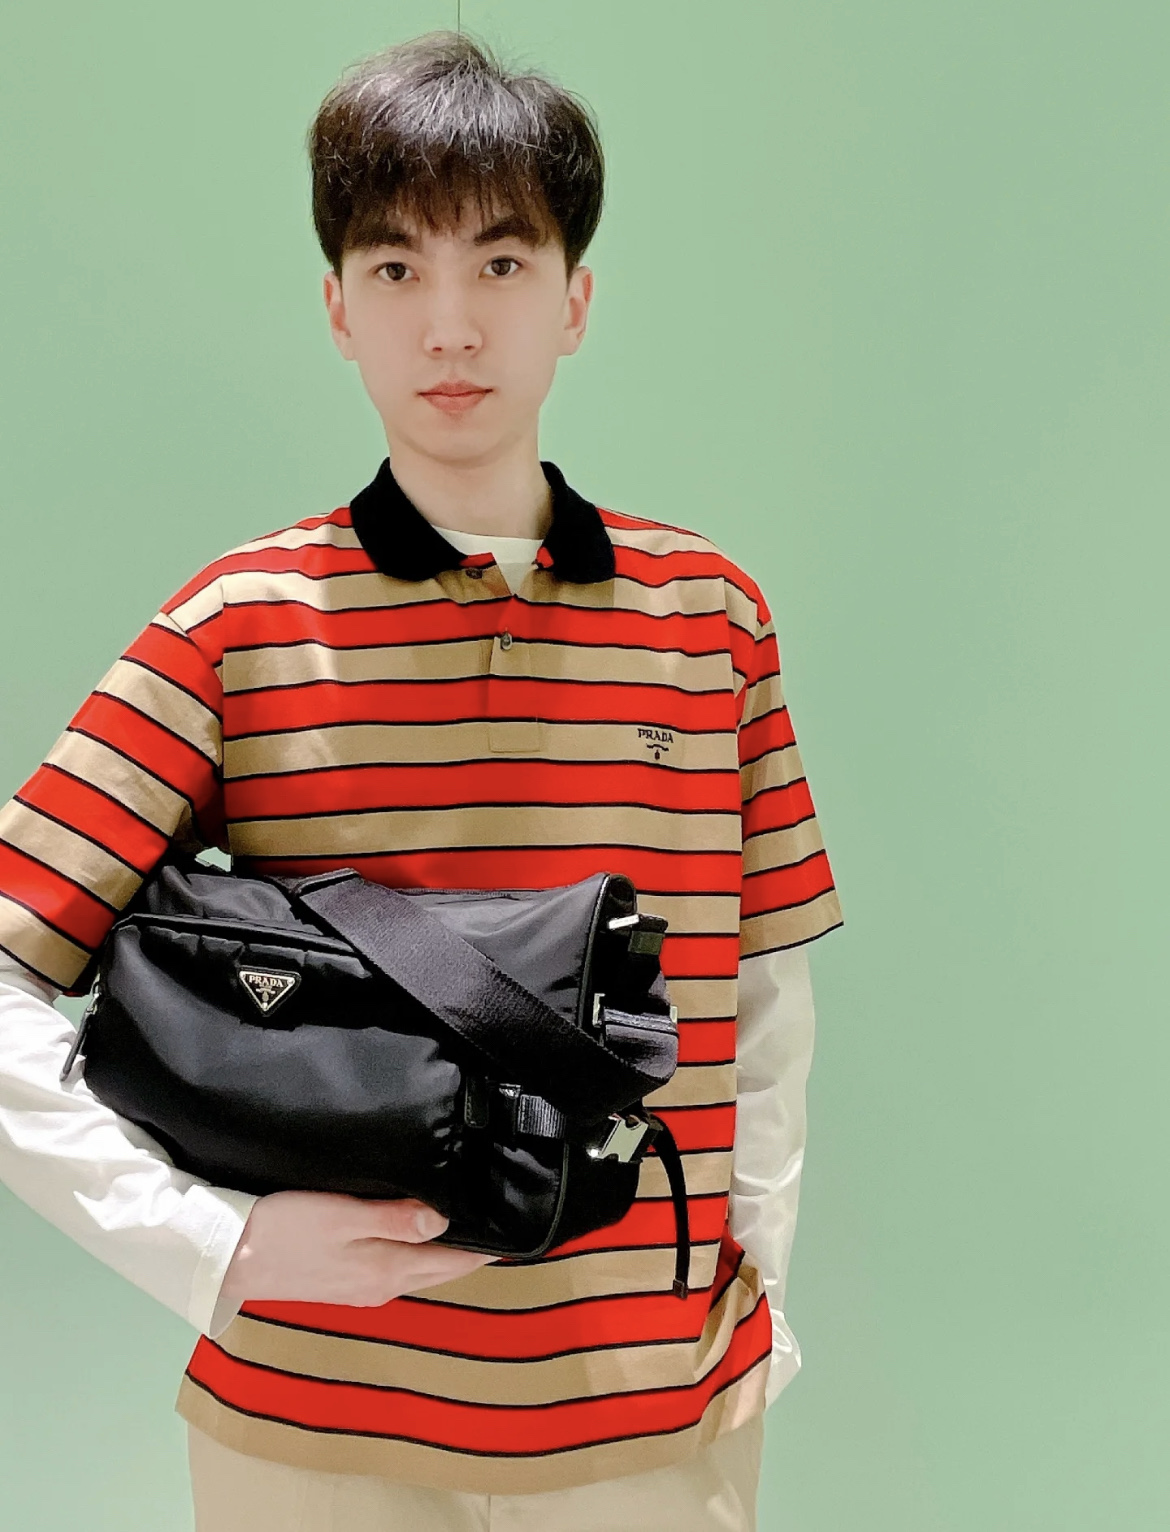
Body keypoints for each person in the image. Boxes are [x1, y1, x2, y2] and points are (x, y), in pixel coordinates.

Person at [0, 29, 842, 1531]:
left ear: (574, 299)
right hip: (309, 1437)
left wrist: (756, 1280)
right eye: (396, 268)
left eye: (500, 264)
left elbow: (762, 993)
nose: (450, 326)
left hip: (656, 1420)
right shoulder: (236, 625)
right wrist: (209, 1245)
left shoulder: (710, 619)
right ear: (338, 306)